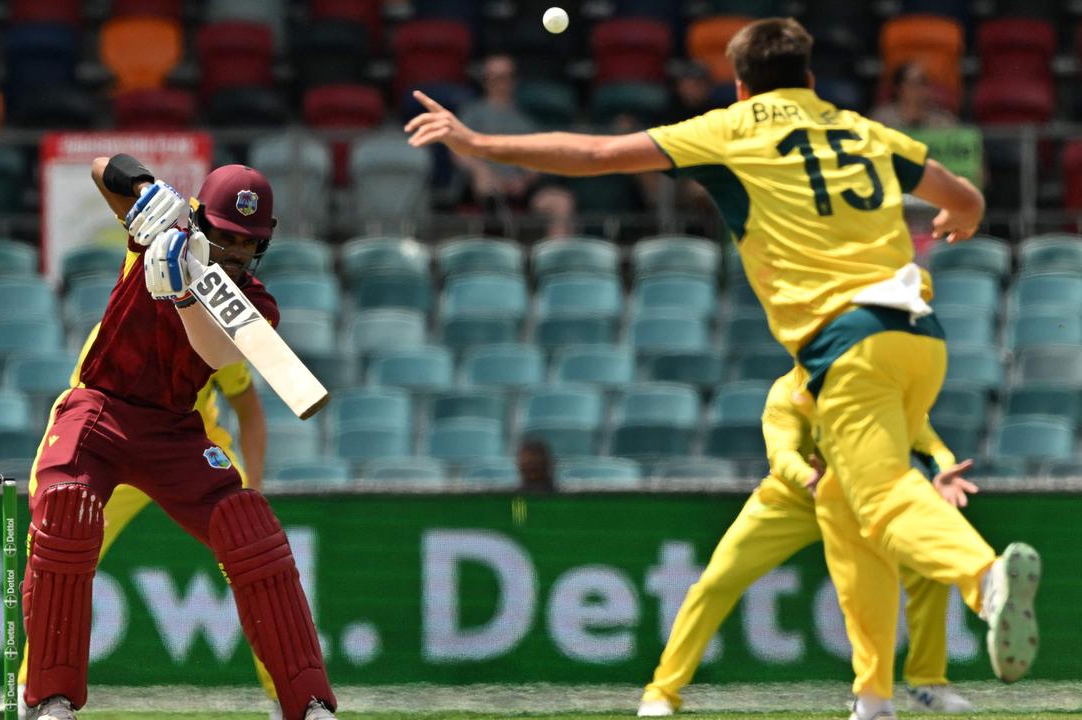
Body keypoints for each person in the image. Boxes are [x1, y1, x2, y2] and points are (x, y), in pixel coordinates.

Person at [403, 16, 1040, 720]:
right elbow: (963, 197)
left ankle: (985, 582)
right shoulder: (862, 129)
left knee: (884, 500)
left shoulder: (733, 128)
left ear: (739, 86)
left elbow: (594, 152)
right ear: (810, 79)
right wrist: (966, 220)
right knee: (857, 520)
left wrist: (478, 141)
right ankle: (872, 701)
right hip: (921, 338)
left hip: (848, 341)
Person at [19, 155, 337, 720]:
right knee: (65, 509)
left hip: (174, 428)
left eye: (249, 245)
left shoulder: (256, 302)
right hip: (101, 409)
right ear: (202, 220)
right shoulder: (164, 230)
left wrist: (186, 296)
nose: (237, 254)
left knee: (250, 528)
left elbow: (216, 354)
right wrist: (145, 190)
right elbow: (100, 169)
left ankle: (308, 704)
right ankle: (50, 702)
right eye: (227, 239)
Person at [639, 368, 978, 716]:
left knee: (929, 573)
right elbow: (782, 455)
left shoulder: (880, 386)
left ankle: (925, 681)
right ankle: (663, 690)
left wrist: (943, 469)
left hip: (864, 501)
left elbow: (927, 443)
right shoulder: (786, 393)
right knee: (716, 584)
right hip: (792, 501)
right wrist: (809, 477)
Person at [9, 360, 282, 720]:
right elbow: (72, 415)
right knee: (61, 562)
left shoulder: (209, 331)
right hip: (115, 446)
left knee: (254, 558)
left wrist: (254, 497)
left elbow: (249, 411)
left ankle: (287, 697)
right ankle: (36, 695)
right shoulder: (111, 337)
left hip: (195, 450)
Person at [455, 54, 575, 236]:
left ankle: (554, 261)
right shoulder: (472, 114)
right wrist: (481, 170)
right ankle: (494, 245)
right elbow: (457, 150)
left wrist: (523, 181)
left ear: (514, 80)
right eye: (494, 77)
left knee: (561, 201)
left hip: (520, 188)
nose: (500, 82)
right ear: (485, 80)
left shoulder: (525, 121)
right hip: (483, 188)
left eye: (505, 77)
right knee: (486, 185)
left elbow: (539, 158)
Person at [871, 62, 958, 130]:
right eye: (913, 83)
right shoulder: (881, 119)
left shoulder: (942, 121)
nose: (919, 89)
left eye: (923, 82)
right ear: (898, 88)